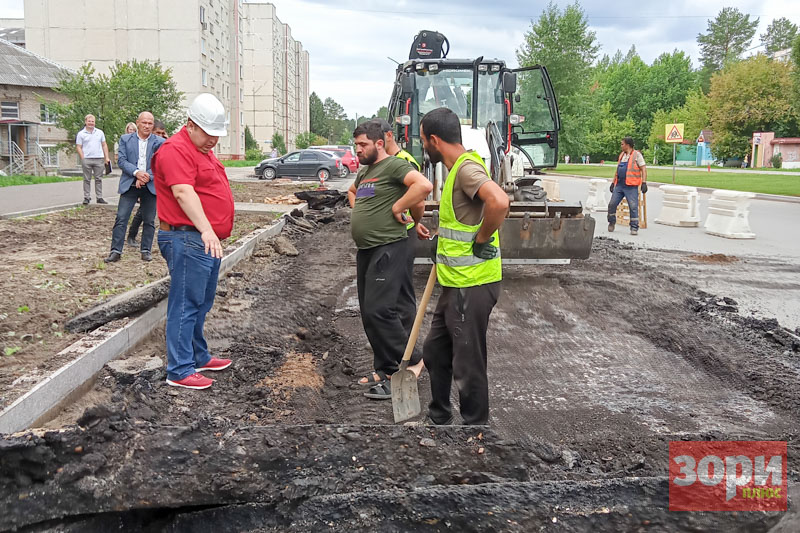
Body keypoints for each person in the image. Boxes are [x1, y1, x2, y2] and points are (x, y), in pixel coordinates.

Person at [416, 107, 509, 425]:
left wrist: (482, 240)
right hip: (456, 283)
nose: (422, 146)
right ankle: (439, 417)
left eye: (422, 139)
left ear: (434, 139)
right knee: (435, 351)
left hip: (473, 284)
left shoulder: (466, 169)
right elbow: (464, 219)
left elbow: (499, 202)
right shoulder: (456, 169)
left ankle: (476, 432)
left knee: (468, 364)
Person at [152, 93, 234, 390]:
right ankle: (179, 369)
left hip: (201, 240)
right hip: (186, 237)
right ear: (190, 125)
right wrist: (207, 230)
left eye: (217, 135)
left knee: (201, 301)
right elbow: (184, 193)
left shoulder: (202, 150)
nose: (214, 140)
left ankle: (198, 356)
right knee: (185, 304)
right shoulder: (175, 150)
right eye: (209, 134)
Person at [347, 120, 432, 400]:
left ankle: (415, 360)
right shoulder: (366, 173)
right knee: (369, 313)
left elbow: (423, 186)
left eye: (363, 145)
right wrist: (363, 212)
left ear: (379, 144)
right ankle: (385, 367)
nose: (357, 150)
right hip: (367, 249)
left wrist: (398, 207)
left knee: (381, 311)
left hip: (388, 247)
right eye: (356, 144)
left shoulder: (394, 165)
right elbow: (353, 193)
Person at [370, 118, 426, 376]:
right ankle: (391, 361)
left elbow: (419, 196)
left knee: (398, 302)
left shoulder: (404, 163)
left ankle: (411, 358)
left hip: (399, 239)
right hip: (383, 241)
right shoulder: (378, 165)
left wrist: (413, 221)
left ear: (388, 137)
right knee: (387, 302)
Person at [105, 112, 164, 263]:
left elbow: (160, 164)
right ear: (137, 123)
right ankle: (115, 251)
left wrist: (145, 177)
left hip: (150, 184)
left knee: (149, 220)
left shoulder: (159, 142)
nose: (147, 126)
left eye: (150, 123)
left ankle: (146, 250)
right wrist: (137, 173)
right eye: (144, 122)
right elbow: (122, 161)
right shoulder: (125, 139)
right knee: (121, 217)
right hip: (130, 184)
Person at [128, 119, 169, 247]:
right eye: (157, 133)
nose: (160, 136)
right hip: (146, 181)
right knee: (142, 211)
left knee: (148, 211)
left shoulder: (163, 144)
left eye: (162, 133)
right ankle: (131, 235)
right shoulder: (146, 144)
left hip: (160, 182)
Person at [608, 136, 648, 236]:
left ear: (627, 145)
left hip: (631, 186)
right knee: (612, 204)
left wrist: (644, 182)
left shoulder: (636, 155)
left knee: (633, 206)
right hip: (620, 185)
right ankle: (611, 222)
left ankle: (634, 227)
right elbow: (617, 170)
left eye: (622, 144)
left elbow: (643, 169)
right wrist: (613, 182)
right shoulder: (622, 155)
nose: (621, 146)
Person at [75, 114, 110, 204]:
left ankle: (99, 197)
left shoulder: (100, 132)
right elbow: (78, 146)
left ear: (95, 122)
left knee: (98, 179)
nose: (91, 123)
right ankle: (87, 197)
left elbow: (104, 145)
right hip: (87, 159)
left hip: (99, 159)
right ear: (85, 122)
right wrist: (82, 158)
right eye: (89, 121)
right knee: (87, 179)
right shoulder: (81, 134)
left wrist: (107, 157)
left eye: (93, 121)